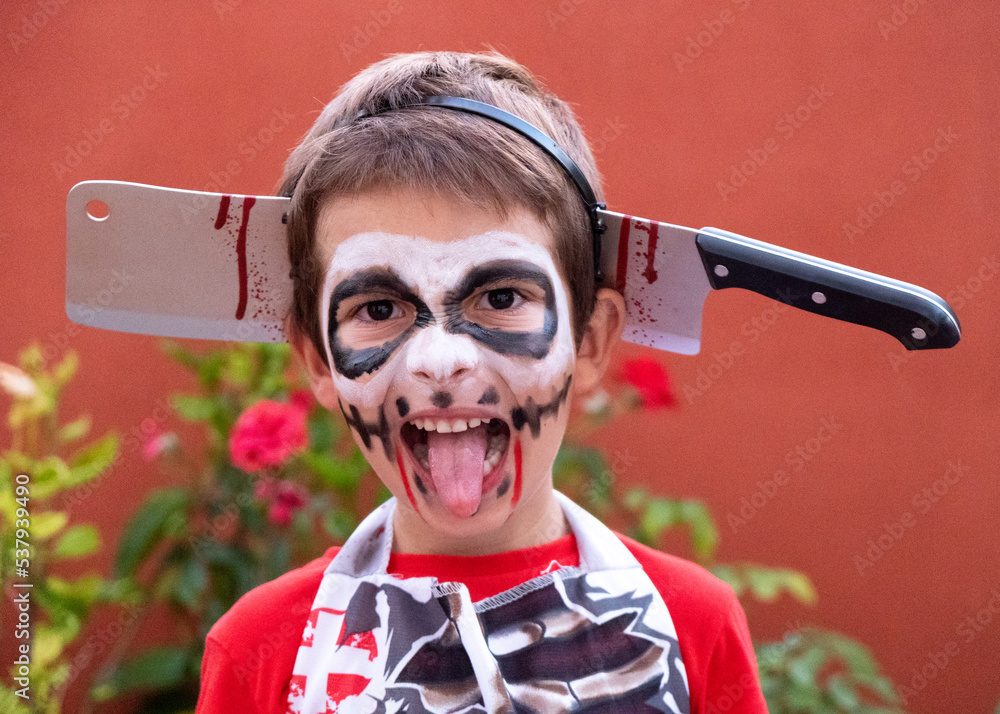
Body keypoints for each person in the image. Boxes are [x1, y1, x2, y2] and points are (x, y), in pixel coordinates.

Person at [195, 51, 767, 714]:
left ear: (588, 339)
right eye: (378, 310)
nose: (441, 362)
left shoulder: (691, 625)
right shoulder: (262, 648)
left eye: (500, 296)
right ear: (320, 359)